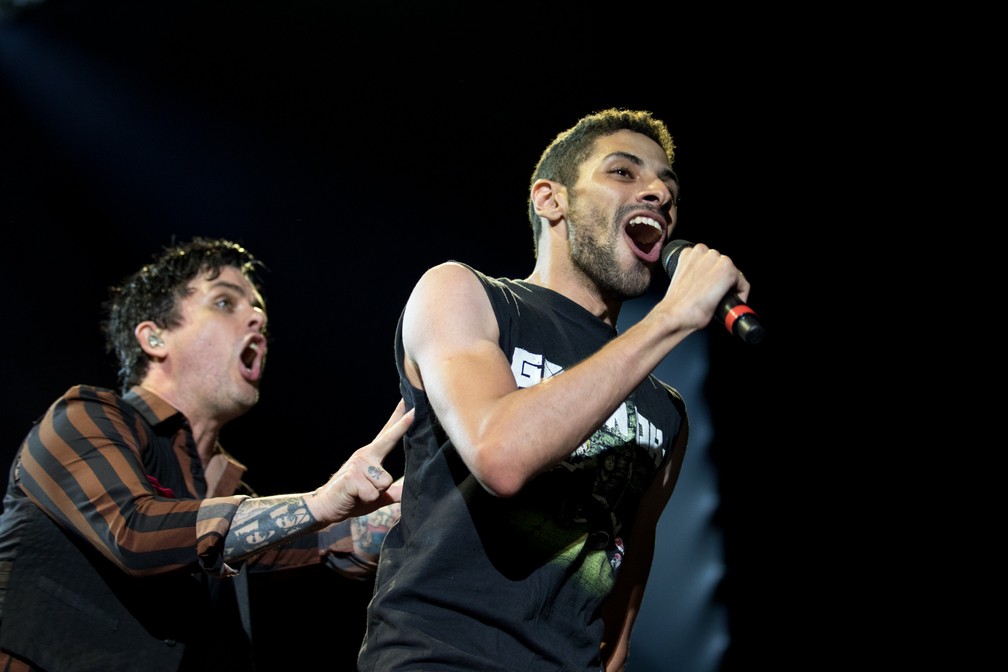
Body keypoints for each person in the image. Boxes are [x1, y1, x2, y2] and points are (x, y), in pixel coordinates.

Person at [357, 108, 752, 672]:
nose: (657, 195)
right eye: (623, 173)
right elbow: (501, 455)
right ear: (551, 200)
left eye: (668, 188)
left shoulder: (667, 411)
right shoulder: (466, 295)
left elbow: (628, 579)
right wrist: (670, 319)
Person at [0, 237, 413, 672]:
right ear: (155, 337)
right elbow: (135, 532)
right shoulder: (84, 417)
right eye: (224, 302)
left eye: (259, 309)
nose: (257, 317)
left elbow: (334, 542)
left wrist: (427, 495)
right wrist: (319, 502)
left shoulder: (223, 486)